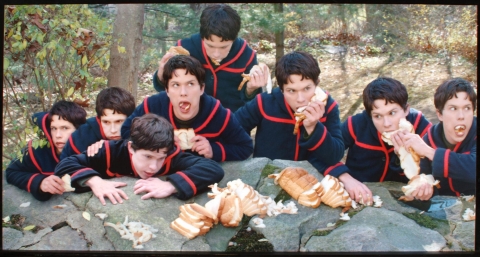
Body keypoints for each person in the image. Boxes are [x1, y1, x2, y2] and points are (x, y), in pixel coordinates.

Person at [55, 113, 224, 205]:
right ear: (131, 147)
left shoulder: (170, 155)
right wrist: (95, 182)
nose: (153, 166)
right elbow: (65, 164)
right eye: (147, 156)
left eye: (160, 158)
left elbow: (213, 169)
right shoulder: (109, 151)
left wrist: (171, 185)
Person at [122, 55, 253, 162]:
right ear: (167, 90)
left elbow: (245, 147)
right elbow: (125, 131)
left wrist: (214, 150)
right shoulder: (152, 106)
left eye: (190, 84)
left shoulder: (217, 113)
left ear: (201, 88)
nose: (183, 92)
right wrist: (156, 137)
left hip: (201, 176)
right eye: (175, 85)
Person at [323, 77, 432, 205]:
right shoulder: (356, 124)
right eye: (378, 116)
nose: (386, 124)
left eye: (392, 113)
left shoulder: (421, 126)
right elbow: (322, 153)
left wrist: (404, 156)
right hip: (358, 197)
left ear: (406, 109)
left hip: (404, 202)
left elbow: (435, 168)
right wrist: (346, 178)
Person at [234, 51, 345, 174]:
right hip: (266, 178)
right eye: (291, 91)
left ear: (316, 84)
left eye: (307, 88)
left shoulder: (328, 106)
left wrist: (314, 128)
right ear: (281, 89)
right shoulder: (264, 103)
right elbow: (232, 129)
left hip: (307, 180)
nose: (300, 99)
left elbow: (335, 155)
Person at [152, 4, 269, 112]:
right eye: (210, 46)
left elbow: (250, 101)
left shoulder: (246, 55)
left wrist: (251, 88)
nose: (216, 54)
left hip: (232, 122)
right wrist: (161, 76)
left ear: (234, 39)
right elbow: (165, 89)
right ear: (202, 37)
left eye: (224, 47)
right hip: (192, 119)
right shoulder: (184, 49)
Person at [395, 78, 476, 197]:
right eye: (453, 108)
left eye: (467, 108)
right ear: (439, 114)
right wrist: (425, 192)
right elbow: (424, 181)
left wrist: (429, 152)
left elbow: (473, 169)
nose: (461, 116)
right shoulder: (430, 139)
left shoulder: (425, 148)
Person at [5, 101, 87, 201]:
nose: (58, 135)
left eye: (65, 128)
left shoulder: (90, 148)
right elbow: (12, 172)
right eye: (54, 128)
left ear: (79, 130)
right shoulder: (38, 150)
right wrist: (40, 182)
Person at [60, 87, 136, 159]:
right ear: (98, 119)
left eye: (119, 121)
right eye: (106, 122)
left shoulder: (142, 132)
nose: (113, 130)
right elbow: (63, 168)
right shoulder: (81, 136)